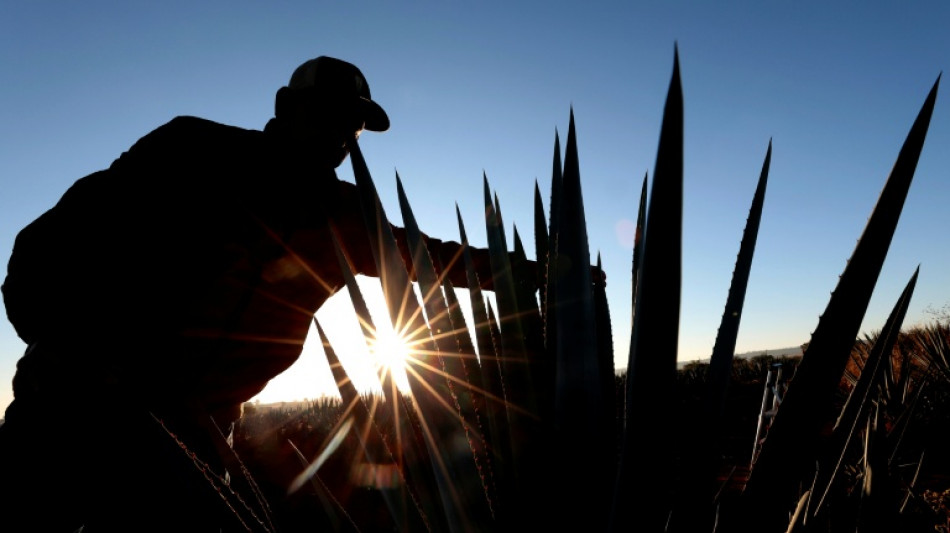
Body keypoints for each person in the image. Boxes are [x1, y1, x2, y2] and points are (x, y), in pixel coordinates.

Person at [0, 56, 501, 532]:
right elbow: (48, 245)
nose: (340, 135)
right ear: (285, 105)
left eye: (352, 125)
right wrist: (74, 352)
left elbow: (428, 257)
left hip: (197, 434)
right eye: (325, 112)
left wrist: (550, 271)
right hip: (72, 404)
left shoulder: (344, 215)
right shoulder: (192, 149)